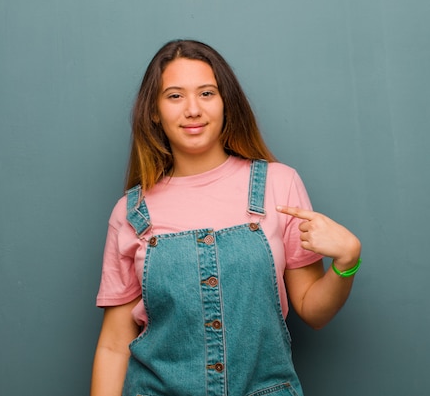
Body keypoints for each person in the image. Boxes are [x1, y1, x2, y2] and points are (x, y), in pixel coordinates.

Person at [91, 39, 361, 396]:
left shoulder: (279, 185)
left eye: (206, 93)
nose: (192, 110)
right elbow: (113, 344)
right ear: (154, 111)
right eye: (174, 96)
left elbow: (314, 310)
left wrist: (347, 260)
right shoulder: (130, 212)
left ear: (225, 103)